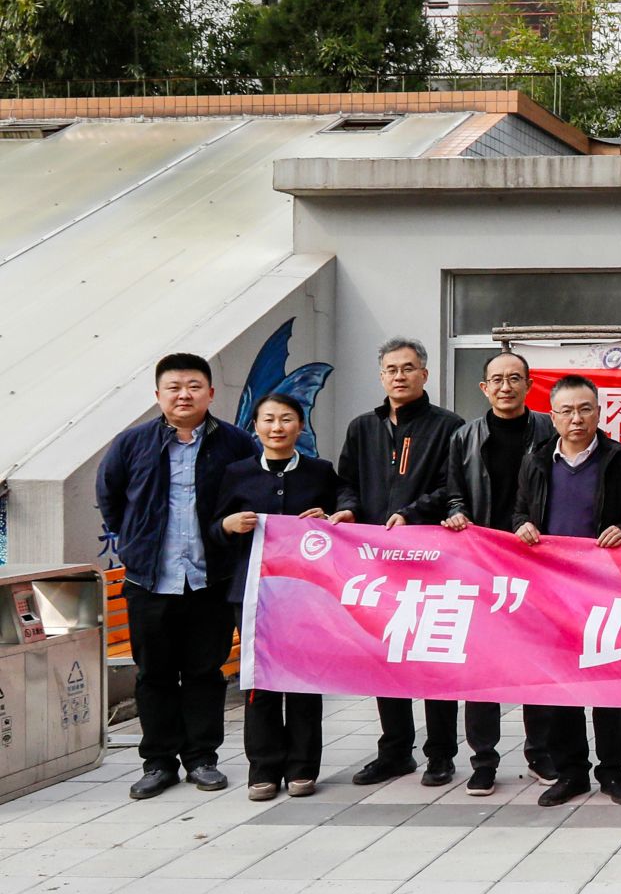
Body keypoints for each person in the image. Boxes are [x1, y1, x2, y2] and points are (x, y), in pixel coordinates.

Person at [96, 353, 259, 800]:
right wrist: (136, 543)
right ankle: (158, 762)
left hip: (210, 579)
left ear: (210, 393)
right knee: (154, 674)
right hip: (150, 581)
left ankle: (202, 758)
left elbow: (251, 495)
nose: (184, 395)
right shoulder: (132, 443)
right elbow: (110, 497)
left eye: (193, 386)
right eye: (174, 387)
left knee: (205, 672)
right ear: (158, 395)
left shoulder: (235, 443)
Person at [332, 338, 466, 788]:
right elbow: (346, 482)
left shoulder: (448, 426)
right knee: (384, 656)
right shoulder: (362, 427)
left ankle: (441, 755)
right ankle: (395, 751)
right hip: (375, 562)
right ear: (381, 376)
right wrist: (349, 509)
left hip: (430, 559)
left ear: (424, 374)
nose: (399, 376)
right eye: (391, 369)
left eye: (408, 368)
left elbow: (453, 486)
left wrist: (413, 512)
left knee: (432, 657)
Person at [511, 375, 621, 807]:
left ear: (599, 412)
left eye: (585, 409)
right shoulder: (536, 460)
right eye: (567, 410)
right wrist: (522, 525)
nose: (577, 418)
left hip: (604, 588)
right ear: (552, 416)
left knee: (607, 685)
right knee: (563, 687)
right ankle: (571, 773)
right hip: (553, 592)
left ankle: (613, 772)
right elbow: (519, 511)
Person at [439, 350, 557, 796]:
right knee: (482, 666)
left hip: (538, 563)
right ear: (484, 388)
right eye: (497, 380)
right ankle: (483, 760)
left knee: (538, 663)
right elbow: (453, 491)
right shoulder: (465, 436)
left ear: (529, 384)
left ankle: (540, 753)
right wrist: (456, 512)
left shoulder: (549, 429)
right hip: (484, 564)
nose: (506, 387)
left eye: (514, 378)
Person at [210, 394, 338, 801]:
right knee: (259, 680)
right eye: (268, 420)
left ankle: (303, 767)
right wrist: (228, 525)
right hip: (251, 593)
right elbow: (213, 529)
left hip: (306, 593)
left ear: (300, 426)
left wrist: (328, 520)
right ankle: (263, 768)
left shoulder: (320, 472)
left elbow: (344, 522)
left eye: (286, 419)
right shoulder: (237, 473)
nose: (277, 427)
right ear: (255, 427)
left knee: (304, 680)